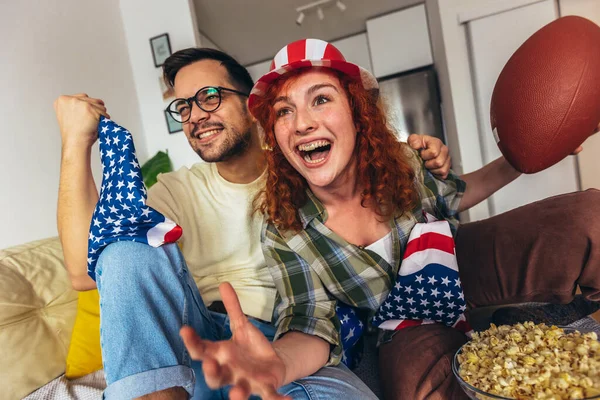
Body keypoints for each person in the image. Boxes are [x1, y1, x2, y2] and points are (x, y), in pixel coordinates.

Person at [179, 39, 600, 400]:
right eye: (284, 112)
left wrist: (526, 158)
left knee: (589, 215)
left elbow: (457, 195)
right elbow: (309, 319)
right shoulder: (283, 228)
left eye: (321, 99)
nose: (303, 123)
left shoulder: (401, 163)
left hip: (461, 265)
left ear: (356, 114)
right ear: (275, 134)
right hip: (402, 326)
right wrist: (278, 365)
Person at [54, 47, 451, 399]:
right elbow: (83, 270)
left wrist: (416, 156)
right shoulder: (175, 190)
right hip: (191, 342)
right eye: (184, 107)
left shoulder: (312, 170)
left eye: (209, 97)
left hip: (283, 341)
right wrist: (75, 141)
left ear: (252, 105)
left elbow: (385, 185)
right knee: (124, 246)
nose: (194, 117)